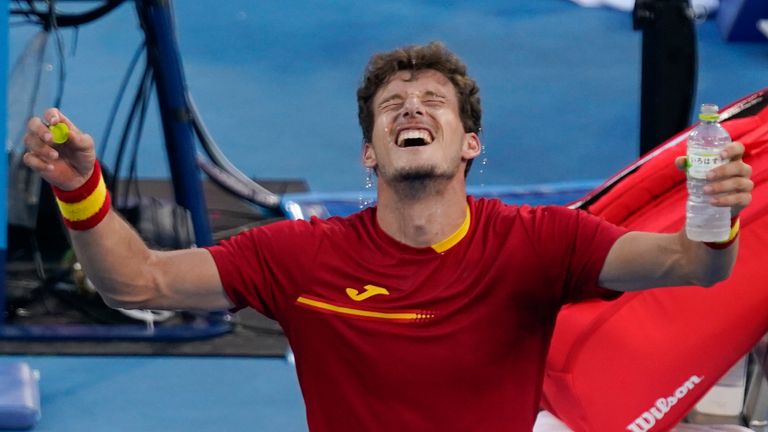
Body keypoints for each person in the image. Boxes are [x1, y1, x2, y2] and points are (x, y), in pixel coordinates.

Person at [23, 42, 753, 431]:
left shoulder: (540, 243)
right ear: (371, 152)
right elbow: (136, 281)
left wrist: (713, 214)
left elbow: (692, 265)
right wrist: (78, 190)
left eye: (435, 101)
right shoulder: (300, 257)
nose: (414, 109)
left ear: (470, 144)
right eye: (393, 104)